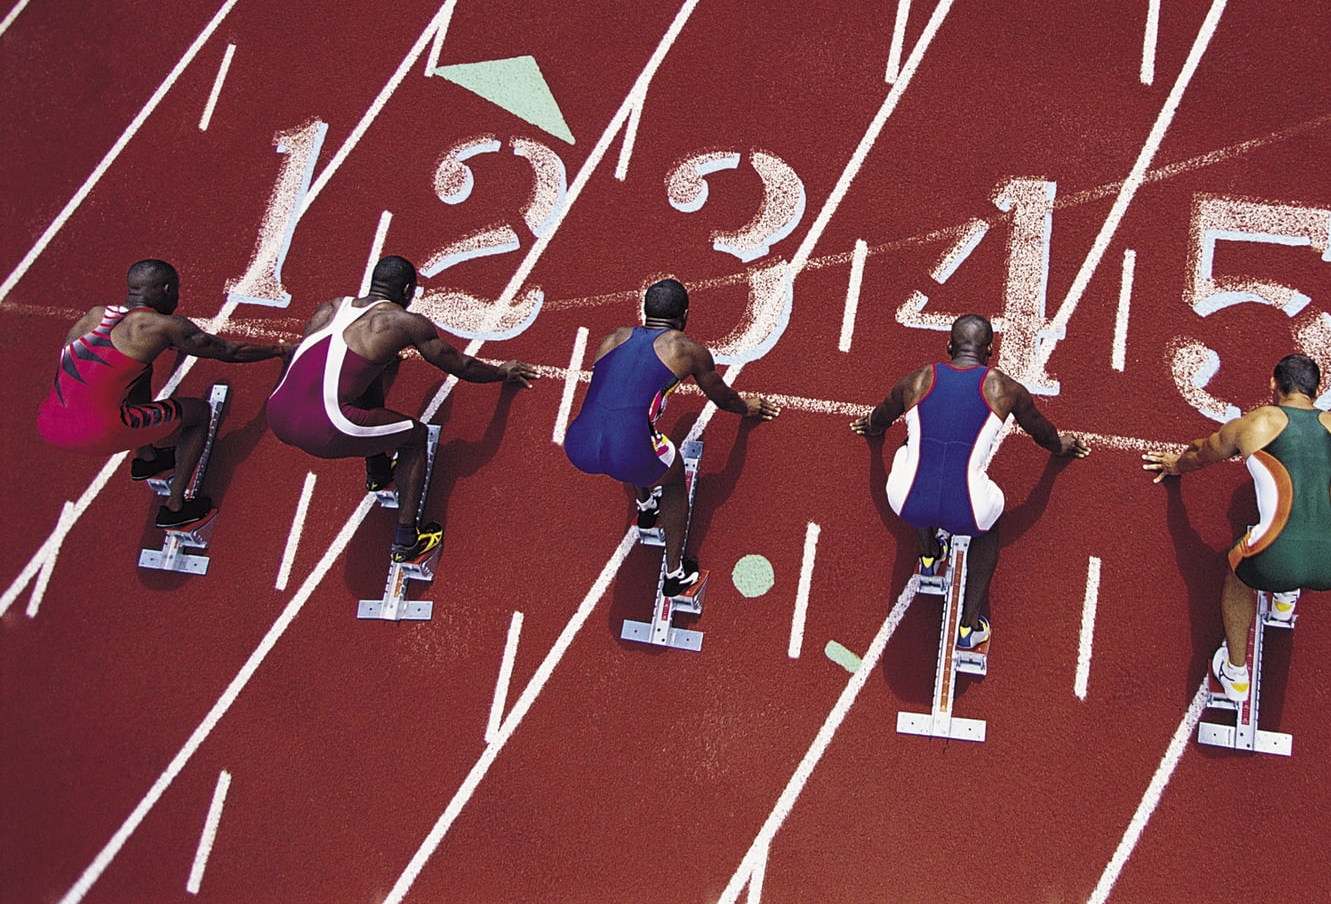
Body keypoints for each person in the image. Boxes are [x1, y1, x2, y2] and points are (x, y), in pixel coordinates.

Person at [1142, 352, 1331, 702]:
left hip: (1276, 557)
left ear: (1273, 385)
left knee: (1237, 568)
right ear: (1318, 390)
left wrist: (1174, 465)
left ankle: (1236, 674)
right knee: (1296, 535)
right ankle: (1285, 602)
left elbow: (1201, 453)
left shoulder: (1255, 425)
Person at [267, 255, 536, 565]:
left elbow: (321, 364)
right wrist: (502, 372)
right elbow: (459, 364)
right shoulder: (403, 323)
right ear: (407, 290)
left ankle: (378, 472)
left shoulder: (329, 307)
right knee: (414, 435)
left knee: (370, 375)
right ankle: (408, 541)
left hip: (278, 413)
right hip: (328, 428)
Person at [851, 314, 1088, 650]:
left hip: (906, 501)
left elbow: (882, 416)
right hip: (970, 512)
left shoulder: (918, 380)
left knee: (910, 447)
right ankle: (969, 626)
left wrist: (870, 427)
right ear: (989, 351)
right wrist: (1060, 445)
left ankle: (929, 554)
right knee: (988, 529)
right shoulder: (1004, 388)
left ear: (949, 346)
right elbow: (1041, 432)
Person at [564, 277, 777, 598]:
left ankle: (647, 507)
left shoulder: (610, 340)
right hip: (628, 450)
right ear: (685, 314)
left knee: (637, 434)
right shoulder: (687, 350)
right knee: (672, 476)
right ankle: (676, 574)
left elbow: (613, 401)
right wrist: (747, 408)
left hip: (579, 443)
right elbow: (722, 398)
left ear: (644, 310)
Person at [37, 259, 290, 529]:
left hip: (49, 424)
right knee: (199, 413)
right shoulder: (159, 326)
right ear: (166, 289)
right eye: (177, 292)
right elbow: (229, 352)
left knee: (138, 371)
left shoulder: (94, 315)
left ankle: (147, 459)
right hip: (101, 431)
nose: (178, 300)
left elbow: (94, 366)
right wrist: (279, 350)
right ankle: (176, 507)